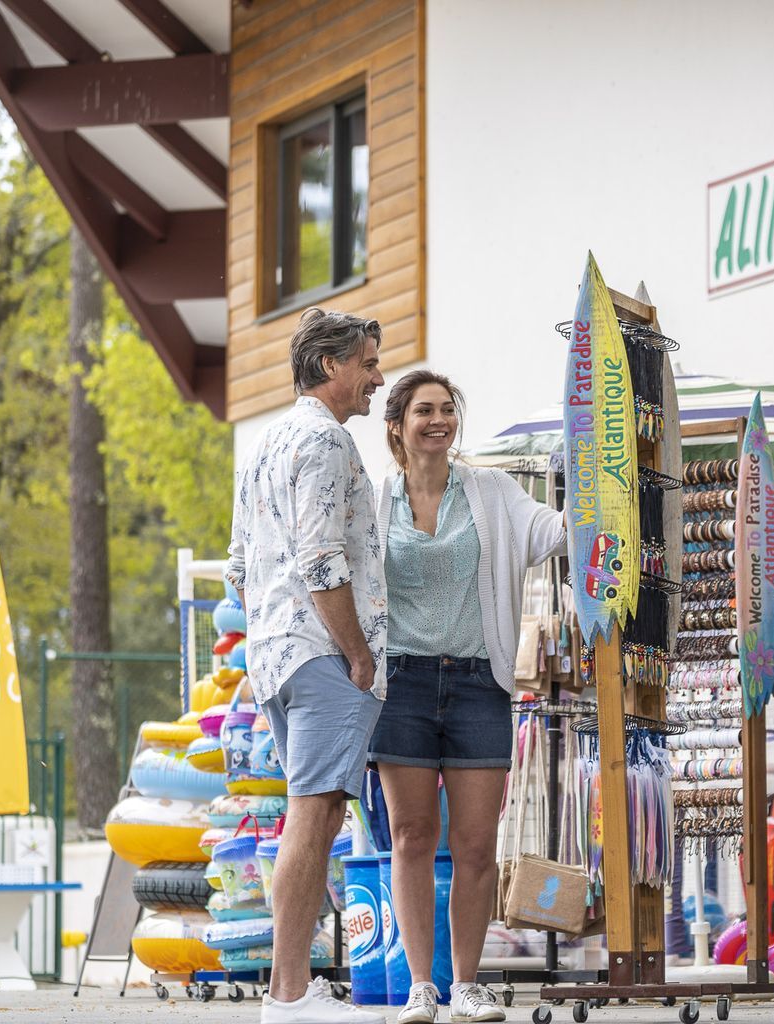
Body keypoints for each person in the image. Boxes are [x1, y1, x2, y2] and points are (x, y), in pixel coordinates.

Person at [371, 371, 566, 1024]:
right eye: (424, 410)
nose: (440, 420)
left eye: (448, 409)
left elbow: (550, 532)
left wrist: (592, 485)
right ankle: (420, 987)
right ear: (397, 425)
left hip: (479, 683)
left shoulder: (491, 490)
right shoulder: (374, 502)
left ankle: (466, 985)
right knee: (411, 837)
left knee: (477, 843)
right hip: (400, 685)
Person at [228, 308, 389, 1024]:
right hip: (323, 653)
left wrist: (275, 634)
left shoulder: (264, 443)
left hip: (277, 655)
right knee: (313, 812)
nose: (377, 378)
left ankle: (291, 990)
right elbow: (323, 560)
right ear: (331, 365)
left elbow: (239, 567)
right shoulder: (326, 441)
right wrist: (357, 652)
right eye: (368, 364)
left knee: (314, 815)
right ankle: (288, 995)